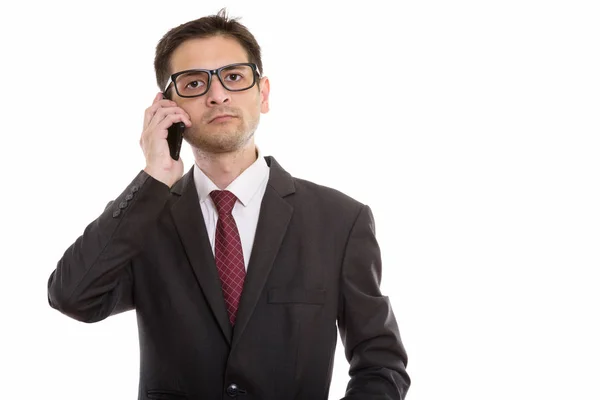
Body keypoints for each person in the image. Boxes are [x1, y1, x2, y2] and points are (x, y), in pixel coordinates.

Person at [47, 8, 410, 400]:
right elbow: (73, 297)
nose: (217, 94)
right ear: (168, 106)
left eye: (233, 77)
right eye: (193, 83)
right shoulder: (145, 218)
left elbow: (381, 364)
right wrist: (154, 174)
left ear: (263, 93)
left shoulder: (340, 220)